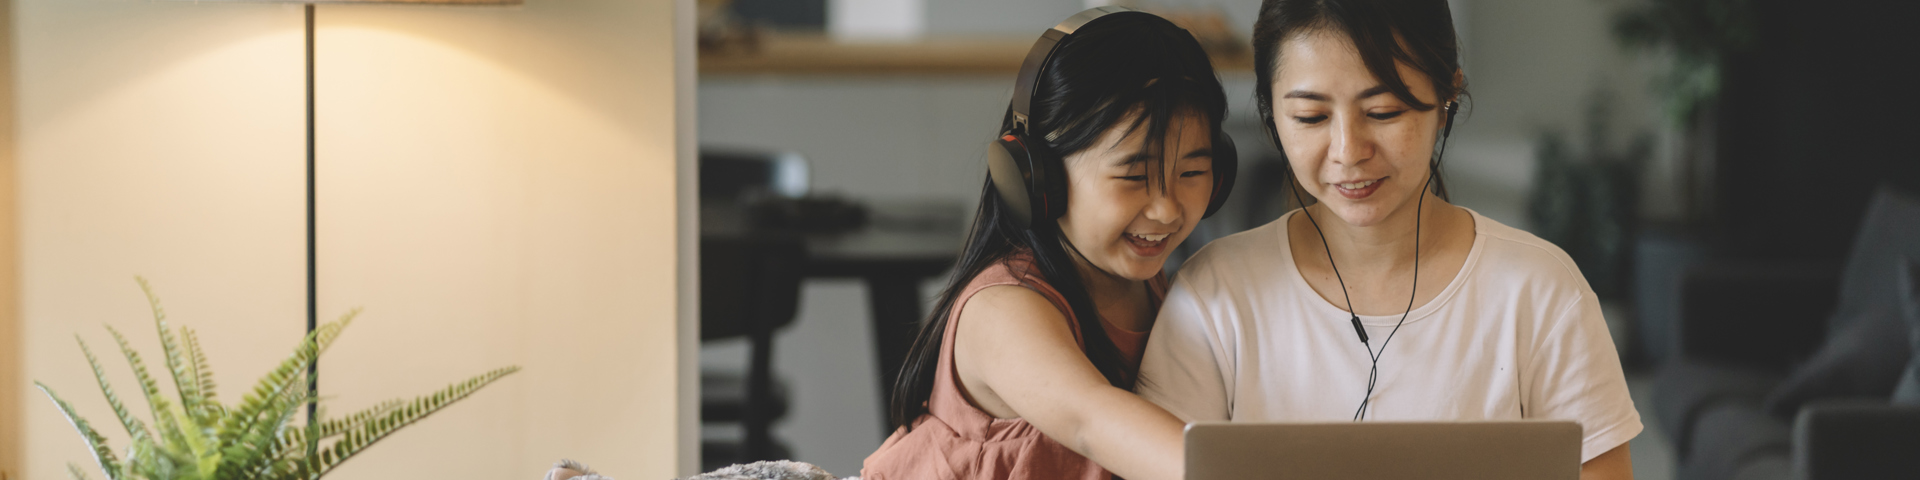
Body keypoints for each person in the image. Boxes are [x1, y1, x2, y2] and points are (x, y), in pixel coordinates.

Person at [1135, 1, 1641, 479]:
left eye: (1383, 112)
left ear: (1446, 100)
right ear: (1270, 112)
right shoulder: (1215, 292)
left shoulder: (1541, 290)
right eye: (1311, 117)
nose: (1348, 151)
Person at [861, 8, 1231, 480]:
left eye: (1193, 173)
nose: (1167, 209)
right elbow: (1091, 420)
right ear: (1039, 176)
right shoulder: (1003, 308)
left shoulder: (1154, 288)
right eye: (1134, 175)